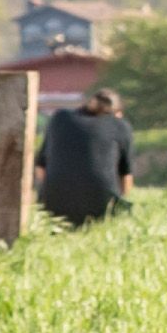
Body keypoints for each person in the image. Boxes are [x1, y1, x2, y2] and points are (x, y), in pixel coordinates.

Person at [37, 82, 135, 227]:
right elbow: (126, 177)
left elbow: (40, 168)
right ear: (117, 113)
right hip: (102, 210)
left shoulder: (60, 118)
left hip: (54, 209)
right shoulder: (120, 125)